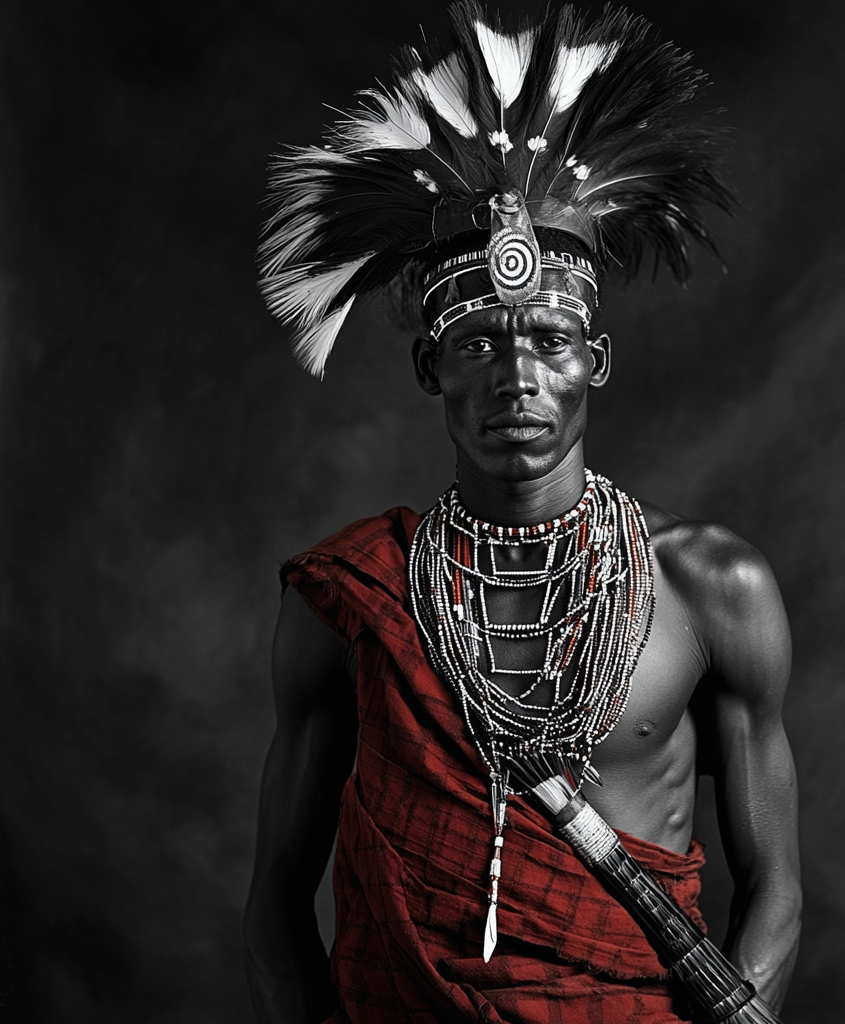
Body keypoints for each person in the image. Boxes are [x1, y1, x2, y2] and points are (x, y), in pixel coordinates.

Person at [244, 4, 801, 1022]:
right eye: (478, 343)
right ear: (429, 367)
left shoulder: (713, 589)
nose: (517, 377)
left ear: (597, 362)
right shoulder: (348, 602)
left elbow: (776, 887)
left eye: (550, 340)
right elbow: (277, 900)